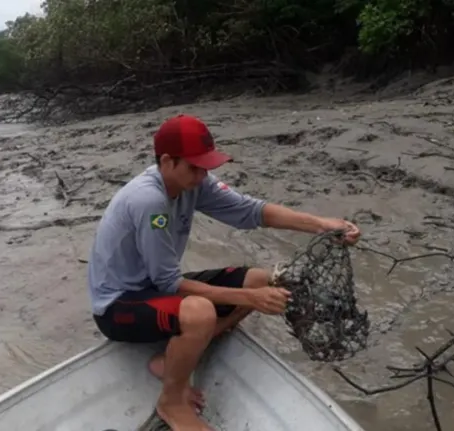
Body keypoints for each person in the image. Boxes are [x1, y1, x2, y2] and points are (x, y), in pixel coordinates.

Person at [86, 114, 361, 431]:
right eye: (194, 167)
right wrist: (249, 299)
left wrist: (322, 224)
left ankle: (174, 357)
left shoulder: (194, 182)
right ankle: (171, 402)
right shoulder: (149, 200)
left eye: (206, 167)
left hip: (155, 289)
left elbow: (250, 211)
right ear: (166, 161)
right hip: (119, 305)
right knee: (203, 310)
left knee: (259, 278)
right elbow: (169, 283)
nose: (202, 175)